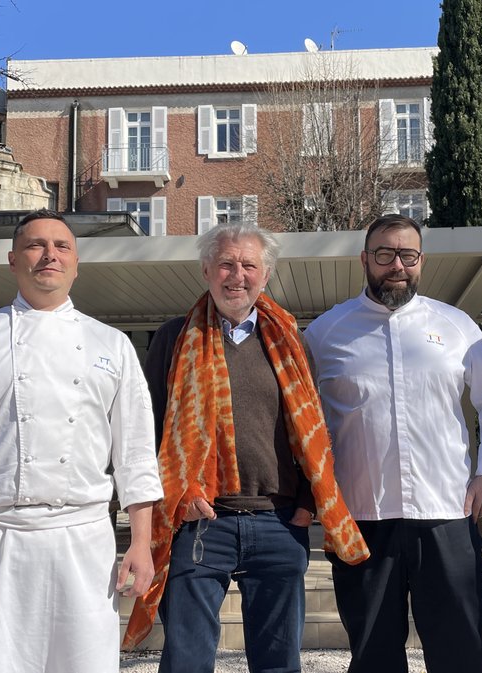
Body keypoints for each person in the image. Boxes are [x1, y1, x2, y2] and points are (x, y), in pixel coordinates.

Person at [0, 209, 163, 673]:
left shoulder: (113, 345)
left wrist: (142, 543)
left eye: (62, 247)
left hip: (82, 542)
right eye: (36, 245)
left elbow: (136, 455)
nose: (49, 255)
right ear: (13, 260)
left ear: (76, 263)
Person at [123, 222, 369, 672]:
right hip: (200, 523)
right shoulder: (174, 338)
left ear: (265, 274)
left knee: (278, 662)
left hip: (278, 522)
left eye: (249, 265)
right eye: (226, 264)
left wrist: (305, 503)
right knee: (187, 660)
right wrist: (177, 495)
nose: (237, 275)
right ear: (206, 271)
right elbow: (148, 429)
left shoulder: (291, 340)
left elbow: (312, 426)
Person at [304, 214, 482, 673]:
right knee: (373, 655)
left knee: (463, 652)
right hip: (360, 519)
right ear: (364, 260)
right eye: (384, 254)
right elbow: (298, 414)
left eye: (407, 255)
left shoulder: (456, 326)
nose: (396, 265)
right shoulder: (324, 332)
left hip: (446, 513)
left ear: (422, 261)